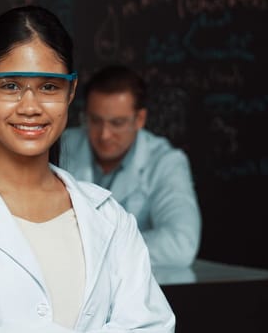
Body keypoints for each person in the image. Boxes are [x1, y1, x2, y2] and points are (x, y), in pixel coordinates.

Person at [0, 6, 175, 332]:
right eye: (10, 86)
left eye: (49, 86)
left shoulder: (108, 217)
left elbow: (152, 326)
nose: (30, 107)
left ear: (71, 92)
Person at [59, 65, 201, 267]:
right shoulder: (61, 147)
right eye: (95, 121)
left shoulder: (165, 162)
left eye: (117, 123)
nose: (104, 134)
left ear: (140, 119)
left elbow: (180, 244)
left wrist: (95, 251)